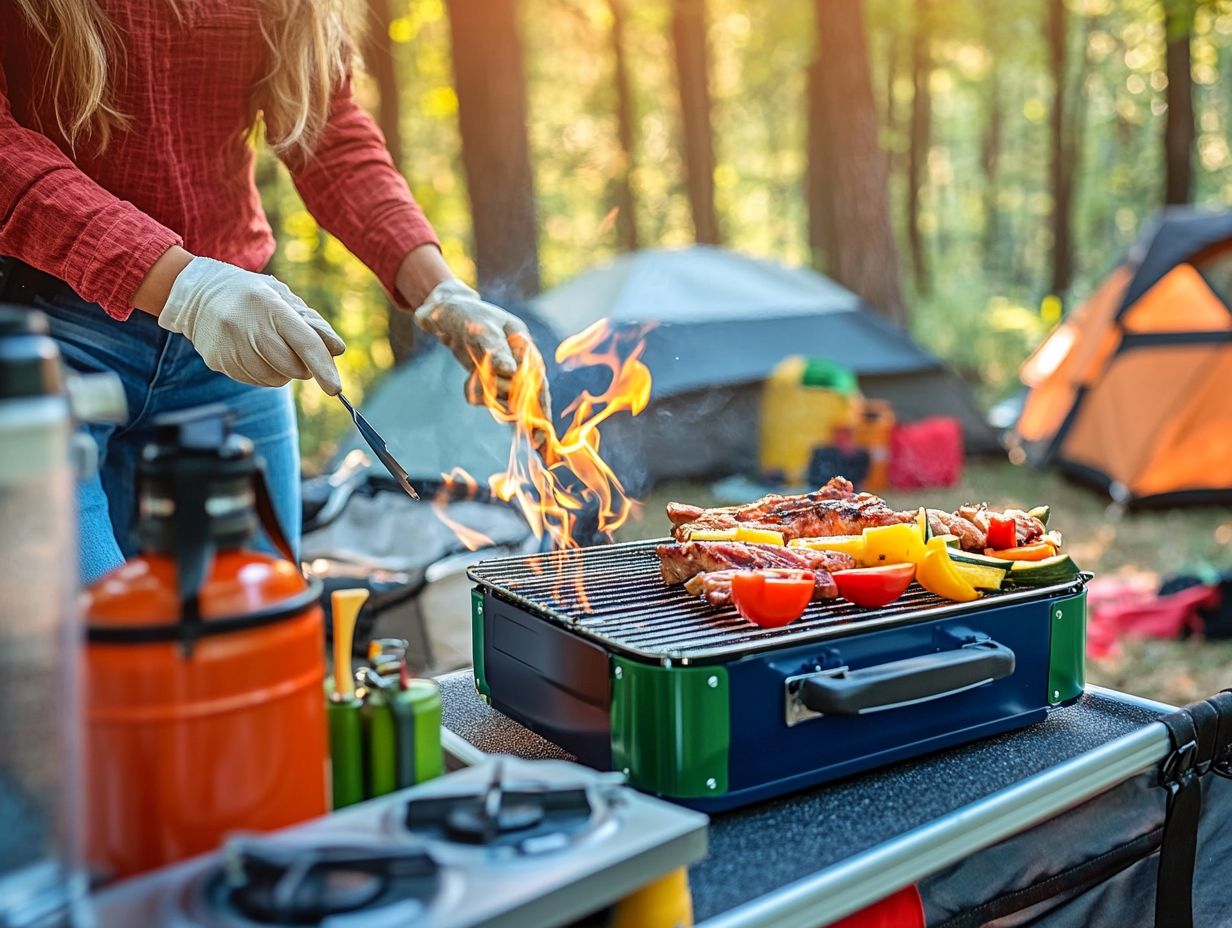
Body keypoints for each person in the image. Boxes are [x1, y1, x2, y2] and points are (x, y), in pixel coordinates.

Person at [0, 0, 543, 584]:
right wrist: (187, 288)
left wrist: (440, 292)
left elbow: (327, 134)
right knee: (93, 649)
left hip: (229, 352)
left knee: (265, 623)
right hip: (40, 340)